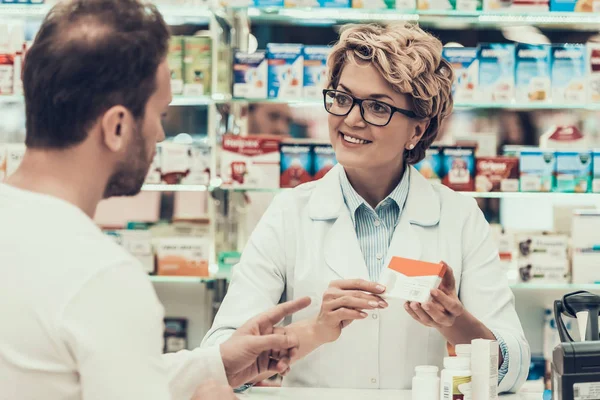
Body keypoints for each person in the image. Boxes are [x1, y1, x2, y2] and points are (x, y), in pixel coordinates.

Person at [0, 1, 311, 399]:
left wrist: (216, 363)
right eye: (159, 115)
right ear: (116, 127)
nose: (160, 137)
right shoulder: (101, 276)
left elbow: (78, 376)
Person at [203, 23, 530, 392]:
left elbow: (515, 365)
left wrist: (453, 321)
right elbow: (219, 359)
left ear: (417, 131)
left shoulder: (460, 217)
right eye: (342, 98)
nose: (351, 119)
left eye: (377, 107)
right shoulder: (289, 213)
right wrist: (314, 330)